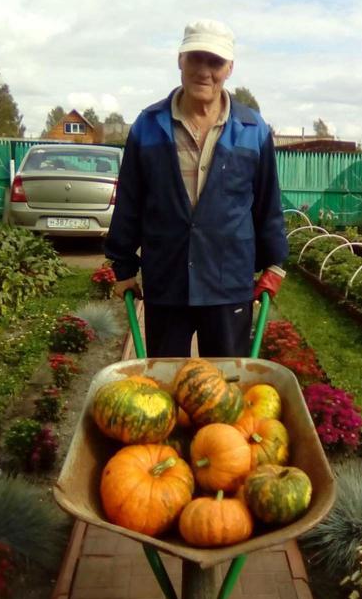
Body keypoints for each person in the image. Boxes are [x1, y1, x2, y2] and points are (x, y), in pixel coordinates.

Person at [104, 19, 288, 358]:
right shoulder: (148, 126)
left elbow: (267, 203)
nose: (204, 71)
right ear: (180, 60)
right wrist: (123, 267)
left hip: (228, 281)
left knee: (226, 390)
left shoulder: (252, 130)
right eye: (195, 58)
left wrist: (275, 264)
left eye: (215, 62)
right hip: (167, 279)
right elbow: (130, 200)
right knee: (165, 390)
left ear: (229, 68)